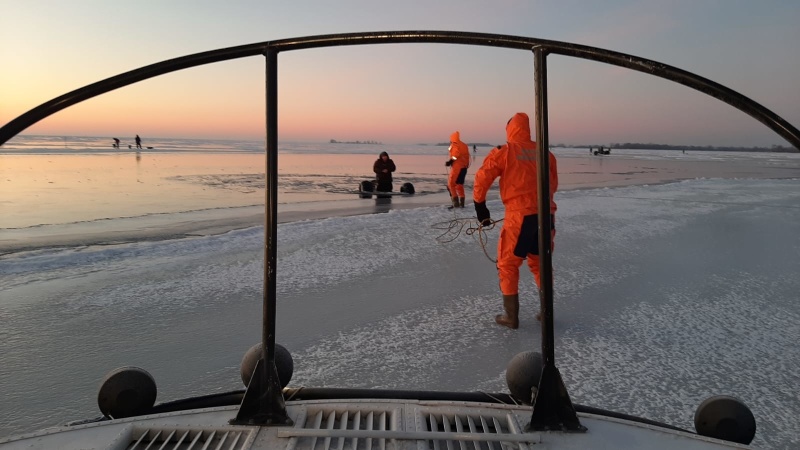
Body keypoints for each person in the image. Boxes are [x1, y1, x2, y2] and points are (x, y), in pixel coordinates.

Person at [472, 112, 558, 329]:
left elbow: (483, 177)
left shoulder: (505, 151)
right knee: (541, 264)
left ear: (510, 129)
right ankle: (546, 313)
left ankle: (511, 317)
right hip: (546, 215)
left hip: (520, 216)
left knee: (508, 264)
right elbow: (553, 184)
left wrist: (480, 207)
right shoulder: (546, 153)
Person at [445, 131, 470, 208]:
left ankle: (455, 203)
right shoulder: (464, 145)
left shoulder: (455, 144)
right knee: (459, 185)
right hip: (464, 168)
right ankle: (462, 203)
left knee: (451, 185)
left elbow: (456, 155)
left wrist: (450, 161)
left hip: (457, 167)